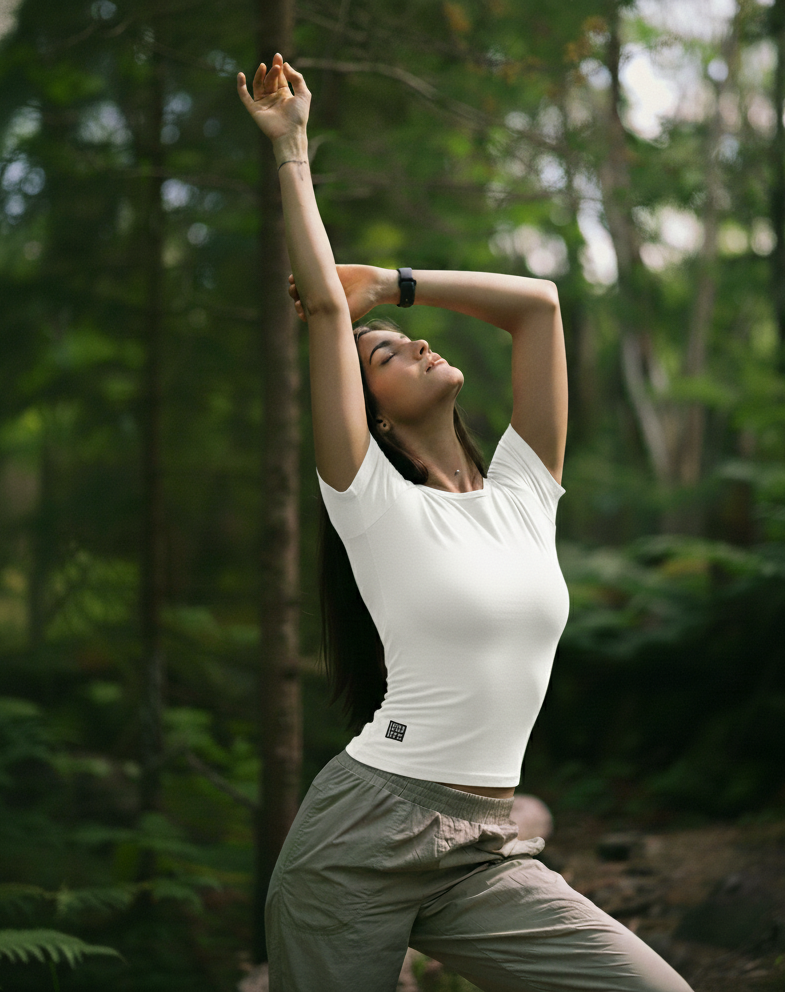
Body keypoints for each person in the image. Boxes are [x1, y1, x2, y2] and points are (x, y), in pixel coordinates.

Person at [237, 53, 694, 992]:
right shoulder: (368, 495)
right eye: (389, 357)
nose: (420, 345)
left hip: (483, 848)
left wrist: (395, 285)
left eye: (411, 339)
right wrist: (294, 150)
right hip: (361, 837)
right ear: (370, 416)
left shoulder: (526, 491)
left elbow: (540, 308)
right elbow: (323, 307)